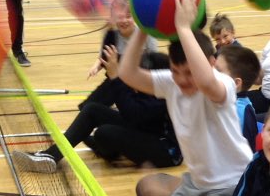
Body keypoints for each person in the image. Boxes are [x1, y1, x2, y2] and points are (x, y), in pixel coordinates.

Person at [120, 0, 252, 196]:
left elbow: (204, 79)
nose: (181, 79)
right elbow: (128, 74)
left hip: (229, 184)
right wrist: (144, 28)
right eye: (176, 71)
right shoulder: (172, 83)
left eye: (188, 72)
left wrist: (183, 28)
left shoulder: (222, 84)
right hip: (195, 182)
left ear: (212, 63)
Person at [133, 43, 261, 196]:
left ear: (236, 84)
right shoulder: (205, 98)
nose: (207, 75)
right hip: (201, 179)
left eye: (218, 71)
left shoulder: (237, 111)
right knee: (145, 187)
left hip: (225, 186)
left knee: (152, 192)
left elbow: (237, 166)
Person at [13, 47, 180, 173]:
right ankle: (52, 155)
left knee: (105, 133)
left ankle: (111, 150)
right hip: (146, 130)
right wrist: (113, 66)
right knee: (92, 110)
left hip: (165, 150)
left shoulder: (165, 95)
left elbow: (133, 114)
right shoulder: (152, 76)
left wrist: (116, 78)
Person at [81, 0, 159, 110]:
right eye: (119, 17)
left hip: (140, 81)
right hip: (117, 79)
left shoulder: (145, 34)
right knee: (88, 107)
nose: (124, 21)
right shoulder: (112, 34)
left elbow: (154, 62)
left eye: (128, 16)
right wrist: (96, 67)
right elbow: (103, 56)